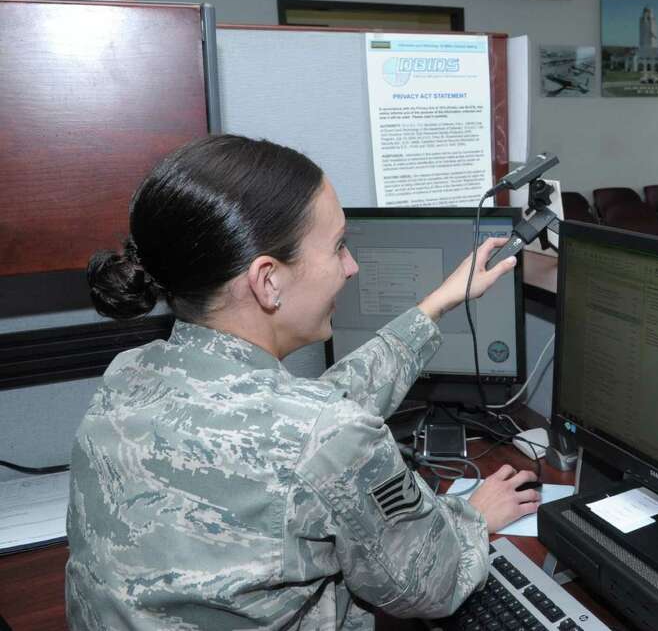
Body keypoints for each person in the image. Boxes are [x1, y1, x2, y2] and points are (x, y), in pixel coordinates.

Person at [66, 134, 539, 629]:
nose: (351, 267)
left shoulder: (129, 373)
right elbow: (431, 586)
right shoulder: (325, 435)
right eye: (338, 247)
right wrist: (473, 516)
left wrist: (435, 306)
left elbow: (302, 418)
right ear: (268, 280)